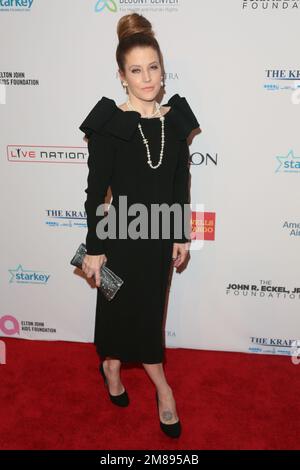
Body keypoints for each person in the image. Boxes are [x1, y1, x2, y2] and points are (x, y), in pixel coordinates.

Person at [79, 13, 200, 438]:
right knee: (114, 311)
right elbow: (96, 194)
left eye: (153, 67)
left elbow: (180, 181)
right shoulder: (111, 125)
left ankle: (126, 371)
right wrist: (95, 247)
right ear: (121, 75)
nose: (146, 77)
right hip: (119, 240)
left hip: (157, 240)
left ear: (163, 70)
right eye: (136, 69)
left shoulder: (176, 119)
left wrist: (181, 231)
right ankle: (141, 379)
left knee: (149, 315)